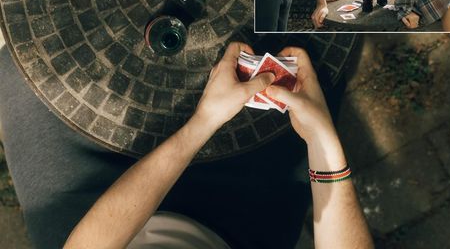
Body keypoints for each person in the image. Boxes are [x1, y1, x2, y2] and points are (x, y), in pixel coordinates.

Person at [0, 42, 373, 249]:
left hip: (86, 207)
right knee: (315, 61)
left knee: (28, 65)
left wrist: (205, 122)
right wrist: (323, 142)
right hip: (236, 226)